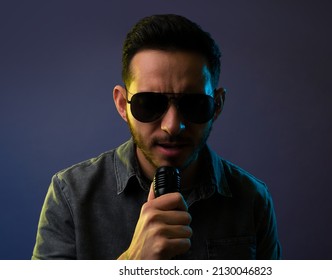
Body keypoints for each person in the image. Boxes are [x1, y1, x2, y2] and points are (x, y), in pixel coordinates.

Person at [32, 14, 281, 260]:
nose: (172, 126)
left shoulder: (252, 199)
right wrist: (132, 263)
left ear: (217, 105)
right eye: (149, 104)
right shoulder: (70, 195)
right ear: (122, 104)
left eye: (193, 104)